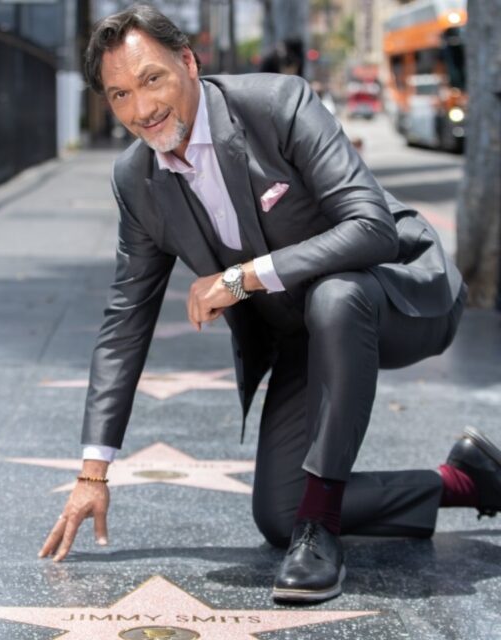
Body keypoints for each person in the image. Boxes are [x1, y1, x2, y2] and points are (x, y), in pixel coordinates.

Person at [40, 4, 499, 604]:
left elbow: (371, 228)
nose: (142, 109)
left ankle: (321, 535)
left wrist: (237, 281)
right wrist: (92, 472)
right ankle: (467, 480)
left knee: (339, 297)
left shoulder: (278, 105)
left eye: (152, 80)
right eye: (120, 95)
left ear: (188, 61)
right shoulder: (137, 180)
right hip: (305, 331)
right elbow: (125, 318)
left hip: (399, 292)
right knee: (279, 512)